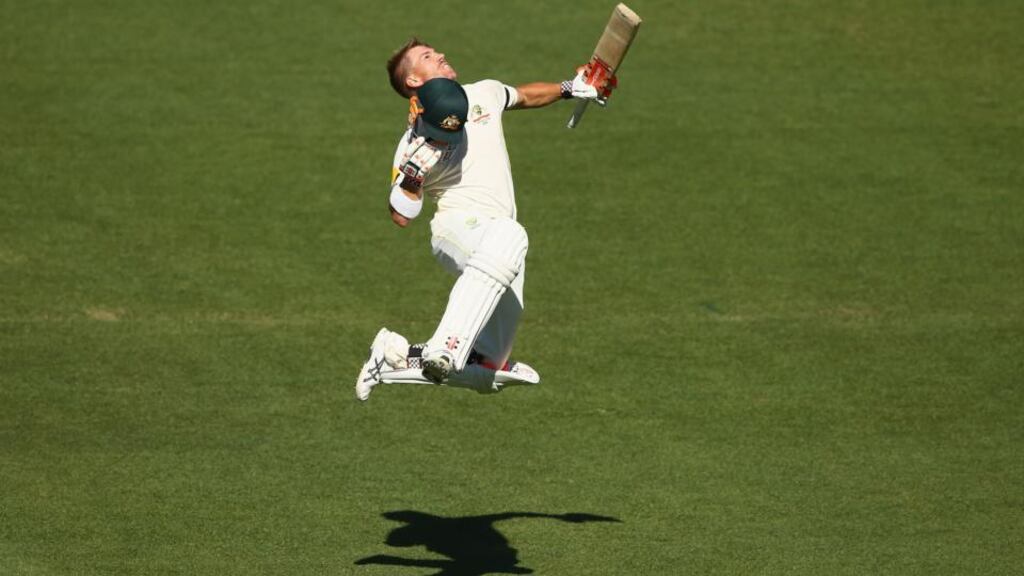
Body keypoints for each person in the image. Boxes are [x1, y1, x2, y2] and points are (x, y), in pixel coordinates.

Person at [355, 39, 615, 401]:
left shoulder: (484, 92)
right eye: (428, 57)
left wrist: (572, 88)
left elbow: (523, 96)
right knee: (513, 234)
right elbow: (401, 215)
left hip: (500, 248)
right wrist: (414, 177)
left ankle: (392, 360)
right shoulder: (412, 141)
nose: (441, 55)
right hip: (458, 229)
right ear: (413, 80)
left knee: (488, 367)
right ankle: (444, 346)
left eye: (437, 51)